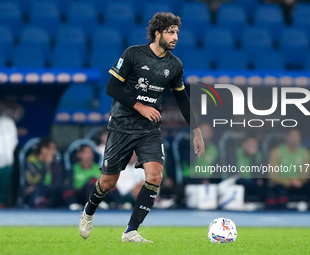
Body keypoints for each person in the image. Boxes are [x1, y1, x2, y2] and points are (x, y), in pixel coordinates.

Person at [79, 12, 205, 243]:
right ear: (157, 33)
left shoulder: (175, 65)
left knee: (155, 175)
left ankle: (131, 231)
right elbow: (112, 88)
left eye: (177, 32)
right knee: (108, 182)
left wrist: (196, 131)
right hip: (121, 125)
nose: (176, 36)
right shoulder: (133, 54)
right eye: (171, 32)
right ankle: (89, 210)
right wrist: (140, 106)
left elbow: (183, 99)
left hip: (149, 129)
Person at [267, 129, 310, 210]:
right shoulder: (276, 152)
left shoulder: (305, 153)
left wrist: (299, 181)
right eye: (292, 136)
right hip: (281, 185)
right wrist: (288, 182)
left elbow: (305, 173)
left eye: (297, 136)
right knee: (281, 194)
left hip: (299, 184)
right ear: (286, 137)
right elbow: (273, 175)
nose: (295, 139)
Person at [65, 144, 119, 210]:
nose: (89, 155)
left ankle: (116, 204)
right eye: (86, 152)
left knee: (110, 183)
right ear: (79, 155)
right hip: (80, 195)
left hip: (100, 194)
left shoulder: (99, 169)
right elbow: (69, 187)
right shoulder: (73, 169)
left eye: (91, 153)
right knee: (91, 182)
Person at [24, 137, 63, 208]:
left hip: (49, 192)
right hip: (34, 194)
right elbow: (31, 182)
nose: (54, 152)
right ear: (44, 150)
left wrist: (51, 165)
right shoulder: (31, 162)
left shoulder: (54, 162)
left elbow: (58, 182)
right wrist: (45, 166)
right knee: (37, 190)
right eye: (52, 149)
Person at [233, 135, 266, 202]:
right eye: (250, 144)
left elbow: (258, 175)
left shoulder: (258, 155)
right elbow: (232, 171)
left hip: (253, 183)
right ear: (244, 144)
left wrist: (252, 158)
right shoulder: (235, 154)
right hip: (239, 181)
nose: (253, 147)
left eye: (255, 144)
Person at [0, 100, 18, 208]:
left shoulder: (8, 122)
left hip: (7, 160)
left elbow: (14, 140)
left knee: (5, 185)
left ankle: (3, 203)